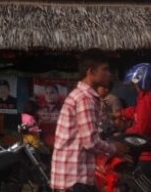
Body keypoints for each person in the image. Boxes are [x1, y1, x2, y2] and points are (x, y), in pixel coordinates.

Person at [51, 50, 127, 192]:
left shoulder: (80, 95)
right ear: (90, 71)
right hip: (75, 179)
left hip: (71, 177)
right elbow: (90, 142)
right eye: (105, 69)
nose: (109, 74)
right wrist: (114, 149)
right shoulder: (85, 98)